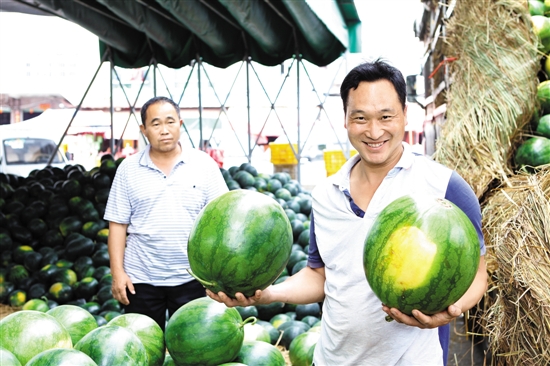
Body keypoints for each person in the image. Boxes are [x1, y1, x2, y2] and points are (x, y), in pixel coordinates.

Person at [207, 60, 488, 365]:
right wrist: (268, 294)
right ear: (345, 119)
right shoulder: (326, 193)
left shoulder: (444, 187)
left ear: (405, 115)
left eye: (385, 116)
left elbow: (477, 275)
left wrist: (448, 311)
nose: (374, 130)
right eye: (360, 118)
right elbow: (320, 274)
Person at [104, 96, 228, 331]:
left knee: (195, 348)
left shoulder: (204, 165)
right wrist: (117, 273)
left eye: (170, 122)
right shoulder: (128, 169)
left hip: (194, 278)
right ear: (144, 130)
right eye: (156, 124)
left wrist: (218, 275)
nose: (164, 130)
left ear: (180, 124)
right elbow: (117, 225)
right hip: (141, 279)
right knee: (144, 349)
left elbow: (223, 220)